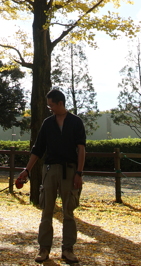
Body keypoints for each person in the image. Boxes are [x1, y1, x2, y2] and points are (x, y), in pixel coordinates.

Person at [14, 89, 86, 264]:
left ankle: (68, 249)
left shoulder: (76, 122)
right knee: (46, 210)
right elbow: (38, 150)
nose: (50, 108)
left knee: (68, 211)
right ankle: (44, 249)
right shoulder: (47, 123)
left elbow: (81, 149)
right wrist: (27, 170)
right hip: (50, 170)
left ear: (60, 103)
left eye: (51, 105)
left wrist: (79, 173)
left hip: (69, 170)